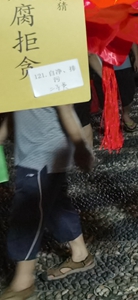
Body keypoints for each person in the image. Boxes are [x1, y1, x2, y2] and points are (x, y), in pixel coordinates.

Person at [0, 106, 95, 300]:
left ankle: (23, 280)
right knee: (56, 205)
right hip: (34, 153)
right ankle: (81, 254)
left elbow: (65, 108)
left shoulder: (45, 83)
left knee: (27, 214)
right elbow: (13, 110)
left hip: (43, 154)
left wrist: (80, 146)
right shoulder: (17, 86)